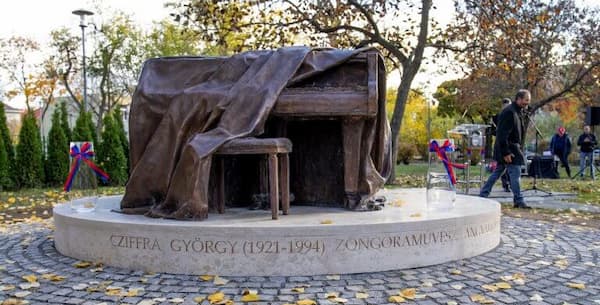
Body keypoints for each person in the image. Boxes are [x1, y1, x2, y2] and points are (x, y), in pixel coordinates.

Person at [480, 89, 531, 209]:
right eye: (526, 100)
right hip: (509, 149)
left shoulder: (517, 111)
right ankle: (518, 200)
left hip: (510, 148)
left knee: (498, 172)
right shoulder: (509, 112)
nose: (527, 103)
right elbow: (502, 134)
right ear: (518, 99)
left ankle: (483, 195)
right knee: (515, 174)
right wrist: (506, 152)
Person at [491, 98, 513, 192]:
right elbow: (492, 131)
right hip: (501, 144)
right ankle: (506, 184)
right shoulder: (497, 117)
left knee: (509, 167)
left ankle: (511, 184)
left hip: (510, 144)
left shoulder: (512, 115)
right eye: (505, 106)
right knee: (502, 167)